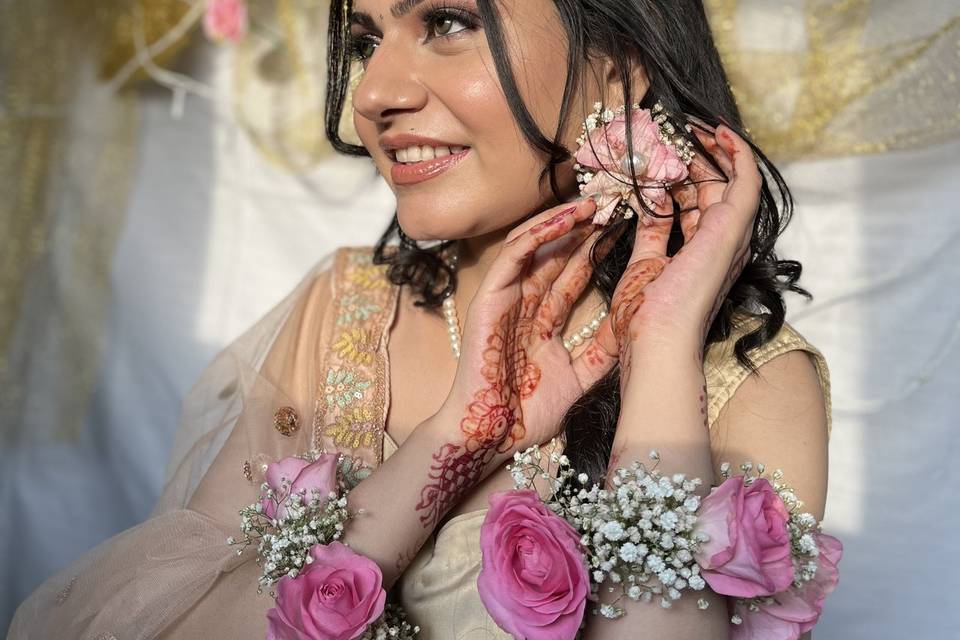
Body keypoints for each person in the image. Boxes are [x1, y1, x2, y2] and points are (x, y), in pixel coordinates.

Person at [9, 0, 832, 638]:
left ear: (621, 64)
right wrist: (457, 438)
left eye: (445, 22)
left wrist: (658, 352)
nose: (373, 94)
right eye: (367, 38)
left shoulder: (746, 385)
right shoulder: (343, 310)